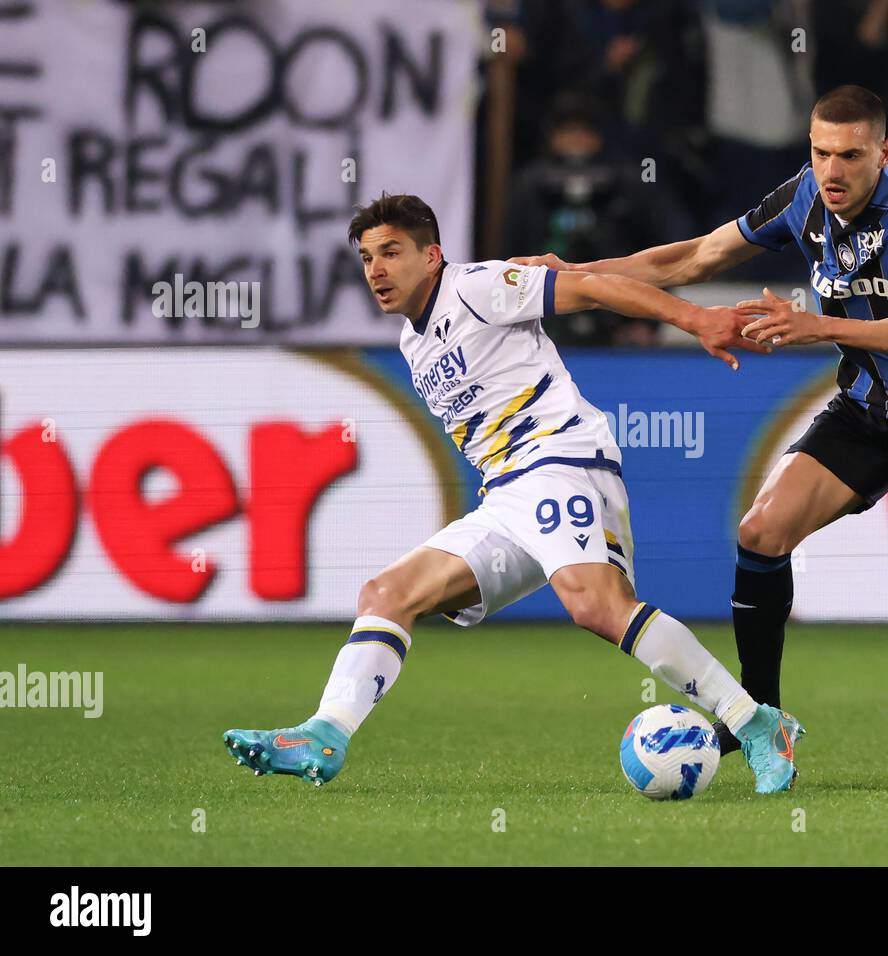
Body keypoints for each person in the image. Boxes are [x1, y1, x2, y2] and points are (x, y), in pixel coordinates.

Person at [513, 86, 888, 785]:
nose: (832, 171)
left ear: (884, 153)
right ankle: (758, 716)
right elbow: (693, 258)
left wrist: (818, 325)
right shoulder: (804, 197)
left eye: (849, 155)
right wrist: (582, 275)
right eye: (820, 153)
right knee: (760, 532)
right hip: (871, 409)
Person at [223, 193, 802, 793]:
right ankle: (326, 733)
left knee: (595, 605)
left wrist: (695, 319)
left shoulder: (476, 287)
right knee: (387, 593)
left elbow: (598, 287)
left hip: (560, 458)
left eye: (392, 252)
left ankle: (757, 724)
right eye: (367, 257)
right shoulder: (412, 343)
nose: (376, 269)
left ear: (432, 256)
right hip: (505, 494)